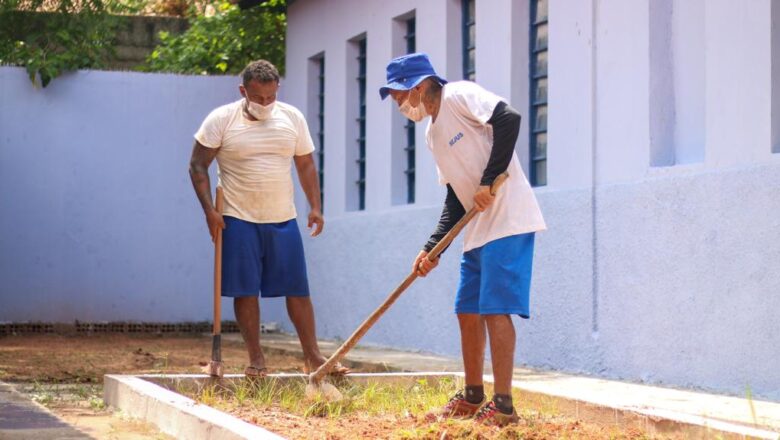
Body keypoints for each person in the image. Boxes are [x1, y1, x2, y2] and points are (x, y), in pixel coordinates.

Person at [379, 53, 546, 426]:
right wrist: (433, 246)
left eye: (399, 97)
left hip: (508, 218)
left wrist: (489, 180)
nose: (399, 105)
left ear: (418, 87)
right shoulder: (431, 134)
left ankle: (503, 407)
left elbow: (509, 118)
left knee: (493, 309)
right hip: (478, 228)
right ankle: (473, 396)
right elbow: (456, 197)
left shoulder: (459, 95)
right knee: (466, 310)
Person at [188, 59, 348, 377]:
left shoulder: (292, 118)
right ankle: (256, 360)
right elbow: (197, 166)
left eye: (270, 97)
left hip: (282, 217)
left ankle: (313, 358)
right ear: (243, 90)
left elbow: (305, 164)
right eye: (258, 97)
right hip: (237, 217)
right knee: (246, 291)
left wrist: (315, 206)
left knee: (298, 290)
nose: (265, 104)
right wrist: (209, 211)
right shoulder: (221, 119)